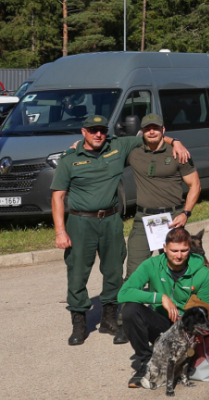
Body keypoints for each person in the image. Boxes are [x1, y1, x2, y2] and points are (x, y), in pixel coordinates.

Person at [51, 111, 189, 346]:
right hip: (80, 221)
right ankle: (79, 323)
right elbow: (57, 196)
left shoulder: (118, 146)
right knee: (77, 273)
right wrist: (60, 231)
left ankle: (108, 319)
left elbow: (151, 136)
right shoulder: (69, 158)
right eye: (92, 130)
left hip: (111, 220)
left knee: (114, 270)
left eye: (102, 130)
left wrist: (175, 141)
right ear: (83, 132)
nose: (98, 134)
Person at [119, 226, 209, 387]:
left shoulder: (202, 271)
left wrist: (196, 329)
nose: (179, 256)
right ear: (164, 248)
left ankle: (183, 360)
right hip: (162, 326)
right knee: (130, 310)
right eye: (174, 250)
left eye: (184, 251)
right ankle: (146, 363)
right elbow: (123, 293)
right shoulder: (151, 264)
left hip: (188, 329)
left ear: (189, 249)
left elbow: (206, 308)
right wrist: (159, 297)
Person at [125, 112, 202, 275]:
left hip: (172, 218)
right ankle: (131, 301)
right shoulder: (133, 151)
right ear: (142, 132)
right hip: (143, 219)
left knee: (175, 270)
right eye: (147, 129)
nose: (152, 132)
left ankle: (174, 300)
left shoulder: (178, 153)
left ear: (163, 130)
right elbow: (107, 144)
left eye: (156, 128)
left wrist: (185, 214)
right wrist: (78, 146)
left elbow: (195, 185)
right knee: (134, 271)